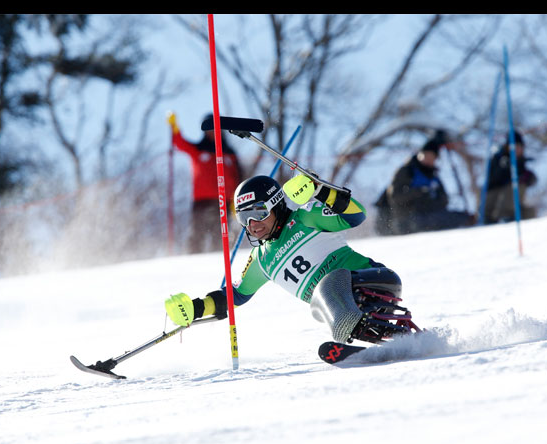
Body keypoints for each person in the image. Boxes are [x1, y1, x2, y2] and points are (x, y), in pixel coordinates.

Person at [164, 174, 415, 345]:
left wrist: (319, 189)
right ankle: (399, 340)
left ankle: (344, 325)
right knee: (318, 304)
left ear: (276, 205)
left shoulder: (305, 217)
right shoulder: (261, 259)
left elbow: (357, 215)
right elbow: (236, 296)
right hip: (347, 311)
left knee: (325, 288)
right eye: (244, 218)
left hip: (375, 282)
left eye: (259, 213)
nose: (253, 224)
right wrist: (196, 308)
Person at [167, 112, 244, 253]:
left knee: (220, 234)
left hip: (223, 200)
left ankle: (219, 259)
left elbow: (238, 177)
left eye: (215, 129)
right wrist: (174, 127)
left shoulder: (230, 153)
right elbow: (180, 143)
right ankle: (194, 259)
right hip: (201, 200)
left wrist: (236, 200)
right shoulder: (198, 149)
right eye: (209, 129)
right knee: (198, 232)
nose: (212, 133)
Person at [375, 135, 473, 235]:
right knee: (435, 221)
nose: (428, 159)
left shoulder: (433, 176)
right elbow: (396, 197)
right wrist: (420, 192)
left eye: (432, 157)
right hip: (405, 220)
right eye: (425, 155)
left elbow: (444, 200)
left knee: (460, 217)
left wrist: (431, 201)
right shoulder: (406, 171)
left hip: (428, 216)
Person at [483, 131, 537, 224]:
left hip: (512, 206)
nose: (517, 150)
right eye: (513, 147)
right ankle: (505, 216)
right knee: (516, 185)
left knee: (529, 212)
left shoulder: (520, 162)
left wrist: (528, 177)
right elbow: (495, 178)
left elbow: (532, 180)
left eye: (519, 147)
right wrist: (508, 170)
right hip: (494, 204)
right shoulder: (499, 159)